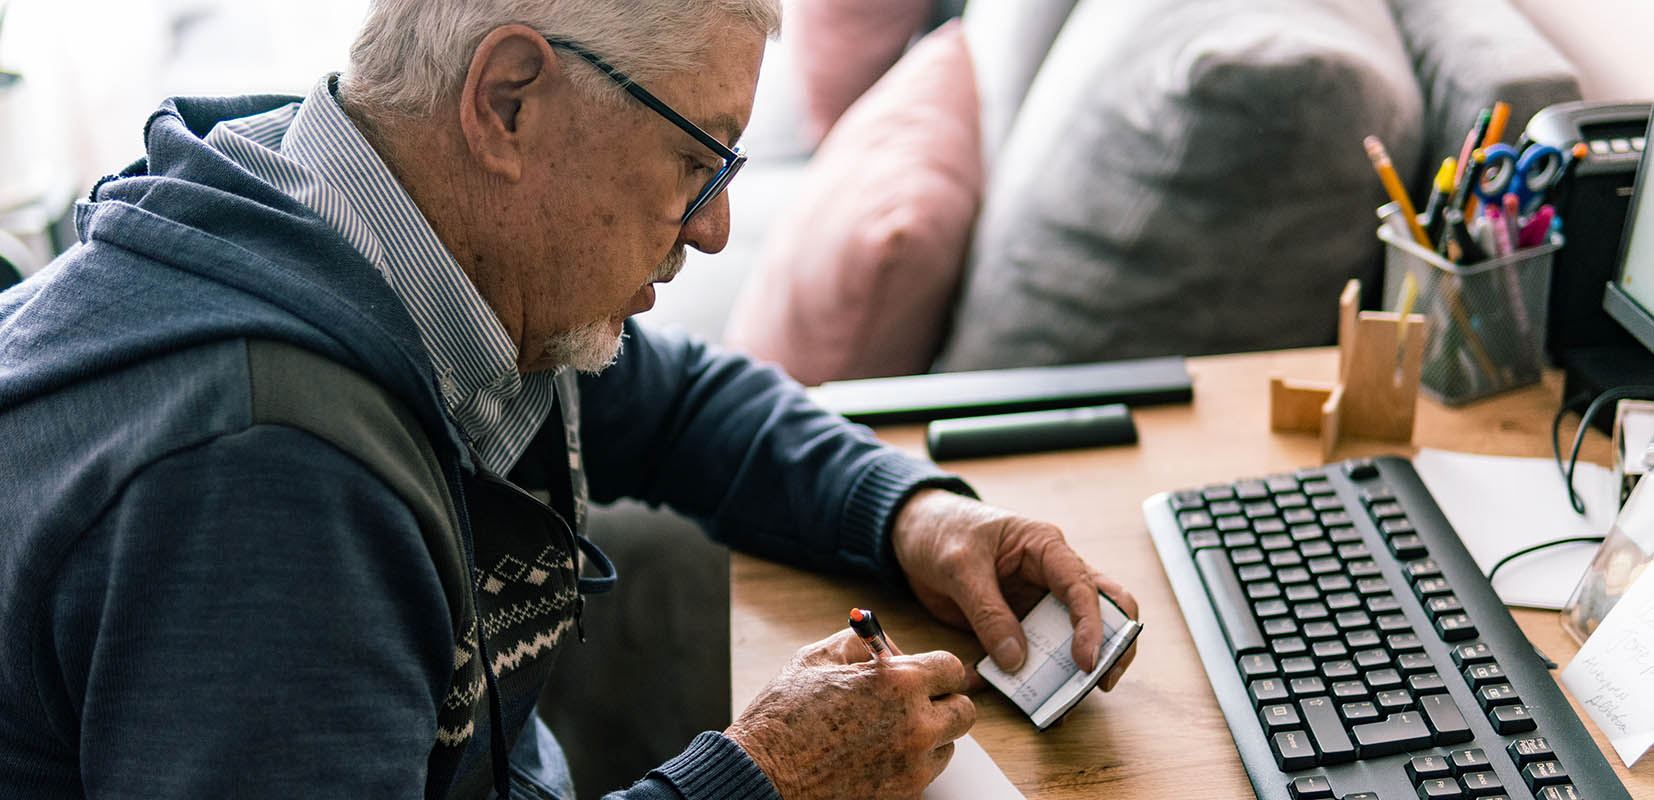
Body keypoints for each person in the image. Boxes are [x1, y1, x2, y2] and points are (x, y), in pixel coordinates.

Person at [0, 1, 1138, 797]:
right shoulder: (267, 482)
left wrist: (913, 515)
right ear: (508, 101)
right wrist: (764, 777)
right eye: (698, 158)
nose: (714, 228)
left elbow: (683, 401)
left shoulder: (411, 238)